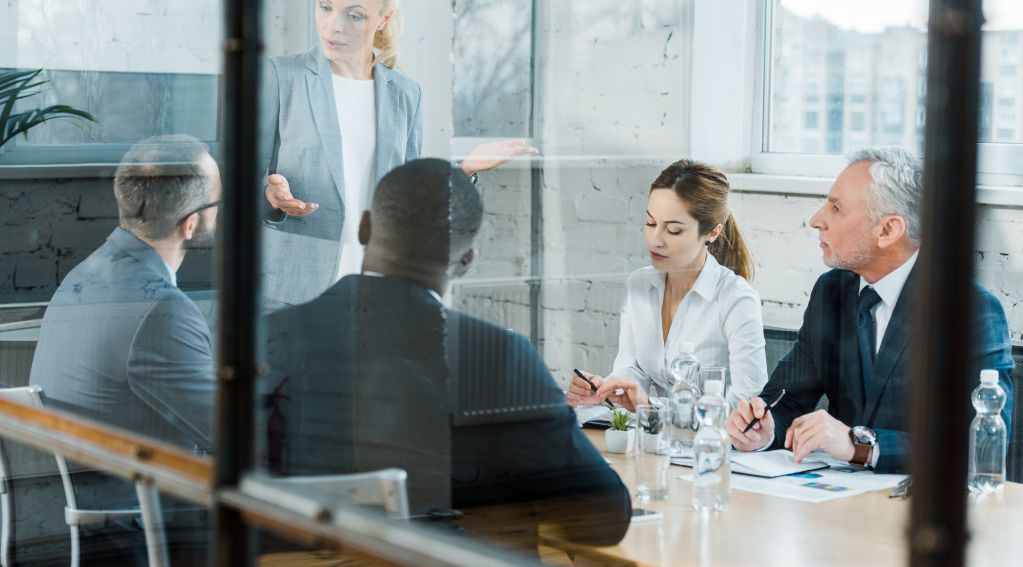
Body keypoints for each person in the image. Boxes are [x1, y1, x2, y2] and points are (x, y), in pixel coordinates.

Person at [264, 159, 631, 548]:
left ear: (364, 227)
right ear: (467, 261)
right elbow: (601, 520)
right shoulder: (494, 356)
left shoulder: (268, 335)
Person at [260, 0, 536, 309]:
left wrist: (465, 169)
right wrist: (270, 197)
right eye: (325, 7)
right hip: (292, 290)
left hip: (378, 287)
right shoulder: (281, 78)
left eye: (353, 15)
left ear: (382, 18)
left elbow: (410, 201)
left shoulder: (405, 95)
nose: (334, 25)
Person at [724, 148, 1014, 474]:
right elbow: (786, 400)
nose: (816, 219)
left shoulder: (971, 311)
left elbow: (983, 444)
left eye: (836, 208)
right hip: (836, 502)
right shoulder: (831, 291)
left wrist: (861, 446)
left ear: (888, 231)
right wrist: (763, 430)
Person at [30, 135, 219, 451]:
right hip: (146, 498)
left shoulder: (83, 275)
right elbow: (234, 437)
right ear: (190, 224)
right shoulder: (163, 309)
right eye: (217, 203)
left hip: (82, 491)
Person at [567, 160, 768, 411]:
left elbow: (749, 403)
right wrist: (604, 389)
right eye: (651, 224)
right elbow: (632, 370)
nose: (655, 240)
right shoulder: (639, 284)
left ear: (712, 233)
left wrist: (653, 406)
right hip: (657, 438)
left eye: (673, 230)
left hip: (712, 442)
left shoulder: (736, 299)